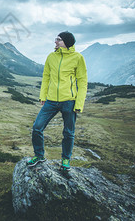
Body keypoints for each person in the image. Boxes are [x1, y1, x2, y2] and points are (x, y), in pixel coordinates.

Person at [27, 31, 87, 171]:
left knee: (68, 133)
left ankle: (65, 160)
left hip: (69, 101)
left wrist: (79, 103)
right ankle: (39, 155)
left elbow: (82, 81)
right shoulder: (51, 57)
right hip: (51, 100)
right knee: (37, 127)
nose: (55, 41)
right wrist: (43, 96)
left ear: (66, 42)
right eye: (56, 39)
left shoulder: (78, 58)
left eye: (58, 39)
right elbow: (46, 77)